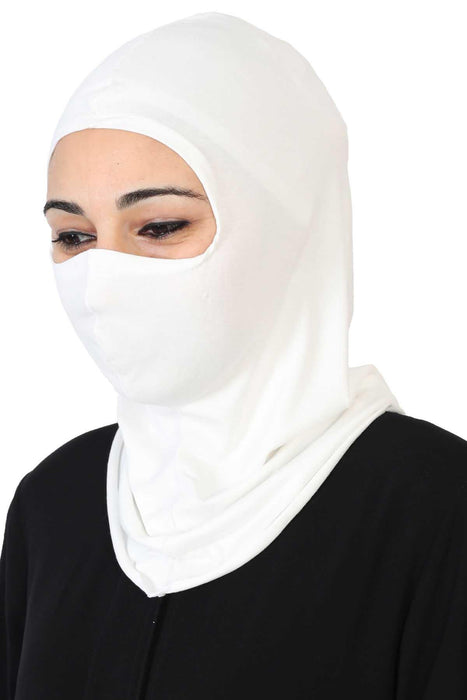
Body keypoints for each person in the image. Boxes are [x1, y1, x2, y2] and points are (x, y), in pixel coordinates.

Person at [1, 11, 466, 700]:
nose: (101, 279)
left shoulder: (435, 511)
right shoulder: (54, 504)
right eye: (74, 236)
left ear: (286, 224)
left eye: (160, 226)